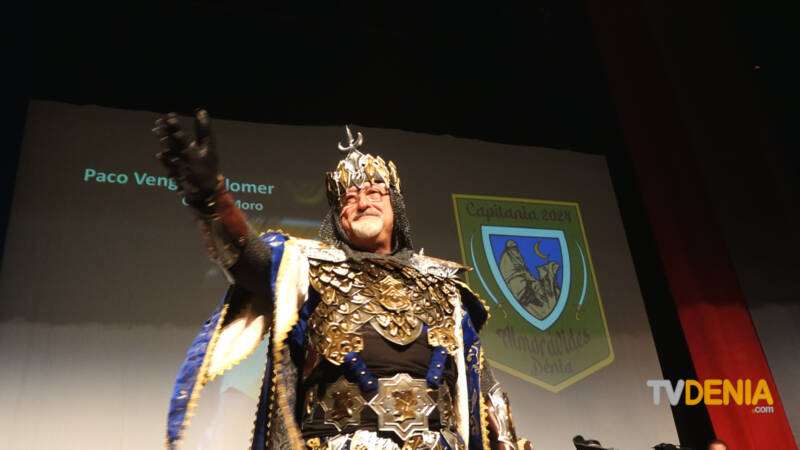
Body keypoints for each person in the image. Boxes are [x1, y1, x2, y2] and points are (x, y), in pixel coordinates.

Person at [154, 110, 532, 450]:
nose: (363, 202)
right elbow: (249, 262)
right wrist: (214, 196)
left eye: (374, 192)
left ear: (395, 205)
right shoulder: (307, 269)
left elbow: (482, 385)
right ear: (338, 217)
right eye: (349, 198)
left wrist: (505, 441)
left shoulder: (443, 286)